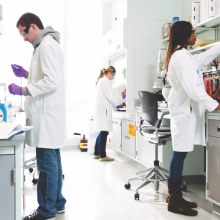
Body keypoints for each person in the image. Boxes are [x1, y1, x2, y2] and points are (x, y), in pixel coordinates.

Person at [8, 13, 66, 220]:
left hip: (46, 116)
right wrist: (26, 74)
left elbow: (51, 81)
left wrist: (22, 90)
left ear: (33, 26)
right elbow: (45, 75)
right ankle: (58, 203)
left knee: (47, 164)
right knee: (54, 162)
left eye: (24, 33)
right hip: (48, 115)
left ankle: (46, 210)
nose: (24, 38)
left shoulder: (47, 45)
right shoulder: (43, 45)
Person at [166, 20, 220, 216]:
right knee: (179, 155)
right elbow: (194, 89)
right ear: (184, 35)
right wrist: (214, 104)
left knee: (180, 154)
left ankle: (176, 196)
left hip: (185, 112)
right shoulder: (180, 57)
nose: (195, 35)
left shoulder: (183, 55)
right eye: (192, 32)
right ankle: (174, 200)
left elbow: (203, 59)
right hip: (183, 114)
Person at [93, 66, 126, 161]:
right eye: (113, 74)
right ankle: (102, 156)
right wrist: (122, 98)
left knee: (102, 131)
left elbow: (108, 97)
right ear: (108, 72)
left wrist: (118, 102)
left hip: (102, 109)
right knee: (104, 131)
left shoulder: (102, 81)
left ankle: (96, 153)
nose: (114, 77)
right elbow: (111, 96)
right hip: (104, 110)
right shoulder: (105, 81)